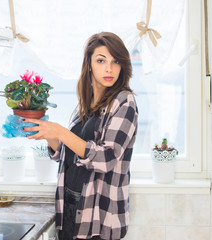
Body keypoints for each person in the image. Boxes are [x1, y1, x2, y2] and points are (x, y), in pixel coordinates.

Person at [24, 32, 138, 240]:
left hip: (98, 214)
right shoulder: (86, 103)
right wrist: (48, 135)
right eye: (101, 60)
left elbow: (106, 158)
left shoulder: (124, 102)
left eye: (116, 62)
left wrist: (60, 131)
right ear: (89, 64)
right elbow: (68, 154)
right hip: (69, 205)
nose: (109, 69)